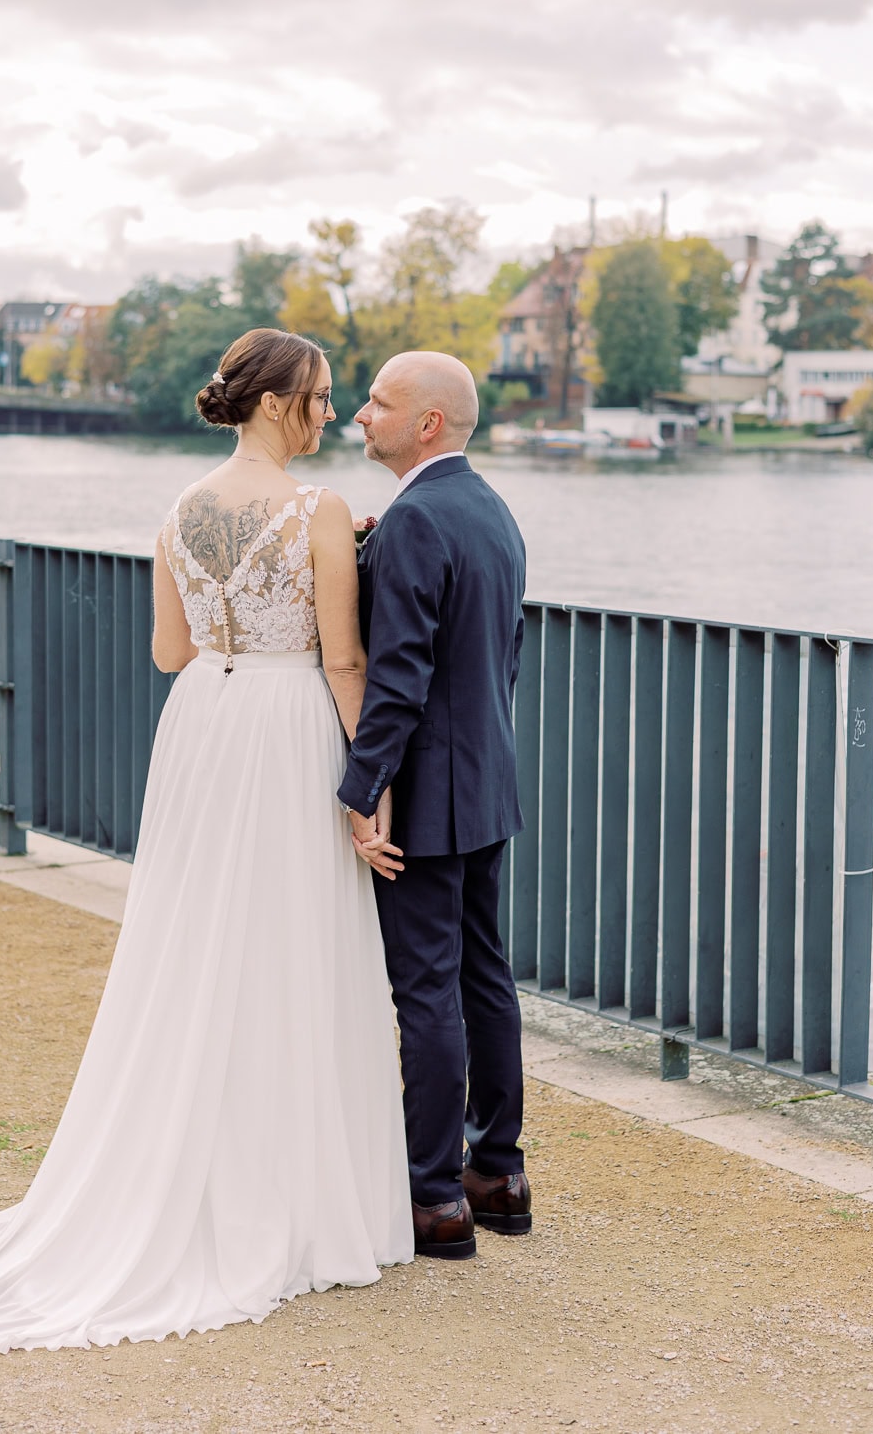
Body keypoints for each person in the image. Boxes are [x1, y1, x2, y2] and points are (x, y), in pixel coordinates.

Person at [0, 328, 413, 1350]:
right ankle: (293, 1193)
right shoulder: (318, 513)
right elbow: (347, 665)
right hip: (283, 733)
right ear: (276, 404)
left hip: (202, 730)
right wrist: (371, 788)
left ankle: (190, 1165)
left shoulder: (179, 509)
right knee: (289, 945)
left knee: (196, 945)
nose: (327, 414)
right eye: (318, 399)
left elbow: (169, 649)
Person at [338, 351, 530, 1261]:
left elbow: (400, 681)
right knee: (483, 978)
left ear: (426, 424)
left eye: (378, 402)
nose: (360, 414)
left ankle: (434, 1198)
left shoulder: (421, 519)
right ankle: (498, 1171)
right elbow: (496, 655)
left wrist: (361, 787)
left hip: (426, 792)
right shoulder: (489, 508)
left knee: (425, 991)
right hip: (487, 782)